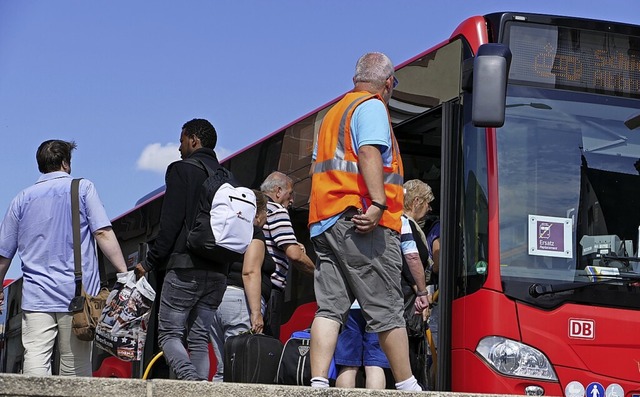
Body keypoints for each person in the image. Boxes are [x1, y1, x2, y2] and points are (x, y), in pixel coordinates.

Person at [308, 52, 422, 391]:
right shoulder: (371, 107)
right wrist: (377, 202)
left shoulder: (333, 113)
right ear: (388, 84)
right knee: (386, 307)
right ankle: (407, 384)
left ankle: (317, 382)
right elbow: (370, 152)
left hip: (325, 221)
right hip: (359, 221)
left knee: (329, 307)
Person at [0, 139, 128, 377]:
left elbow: (3, 254)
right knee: (75, 365)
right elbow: (102, 232)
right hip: (76, 296)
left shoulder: (22, 199)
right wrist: (123, 272)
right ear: (65, 163)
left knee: (36, 358)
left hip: (36, 296)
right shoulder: (83, 189)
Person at [134, 118, 228, 381]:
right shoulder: (227, 176)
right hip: (219, 271)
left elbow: (170, 223)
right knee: (198, 338)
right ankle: (198, 391)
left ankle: (190, 381)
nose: (178, 148)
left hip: (185, 268)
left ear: (193, 140)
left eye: (181, 140)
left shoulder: (181, 170)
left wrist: (150, 262)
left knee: (169, 335)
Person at [210, 190, 275, 381]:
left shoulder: (225, 229)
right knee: (240, 368)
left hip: (217, 302)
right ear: (257, 213)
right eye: (267, 213)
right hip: (240, 302)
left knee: (223, 368)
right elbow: (250, 271)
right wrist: (256, 313)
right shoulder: (253, 231)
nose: (266, 218)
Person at [260, 171, 315, 340]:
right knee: (267, 347)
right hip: (270, 290)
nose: (292, 201)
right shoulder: (277, 210)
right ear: (278, 191)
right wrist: (319, 274)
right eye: (290, 194)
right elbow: (294, 255)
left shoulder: (256, 209)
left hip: (250, 286)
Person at [400, 179, 436, 389]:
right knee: (410, 354)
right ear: (416, 202)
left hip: (408, 298)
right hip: (408, 300)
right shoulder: (407, 225)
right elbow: (408, 262)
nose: (429, 208)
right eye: (427, 203)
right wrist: (422, 295)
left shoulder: (407, 224)